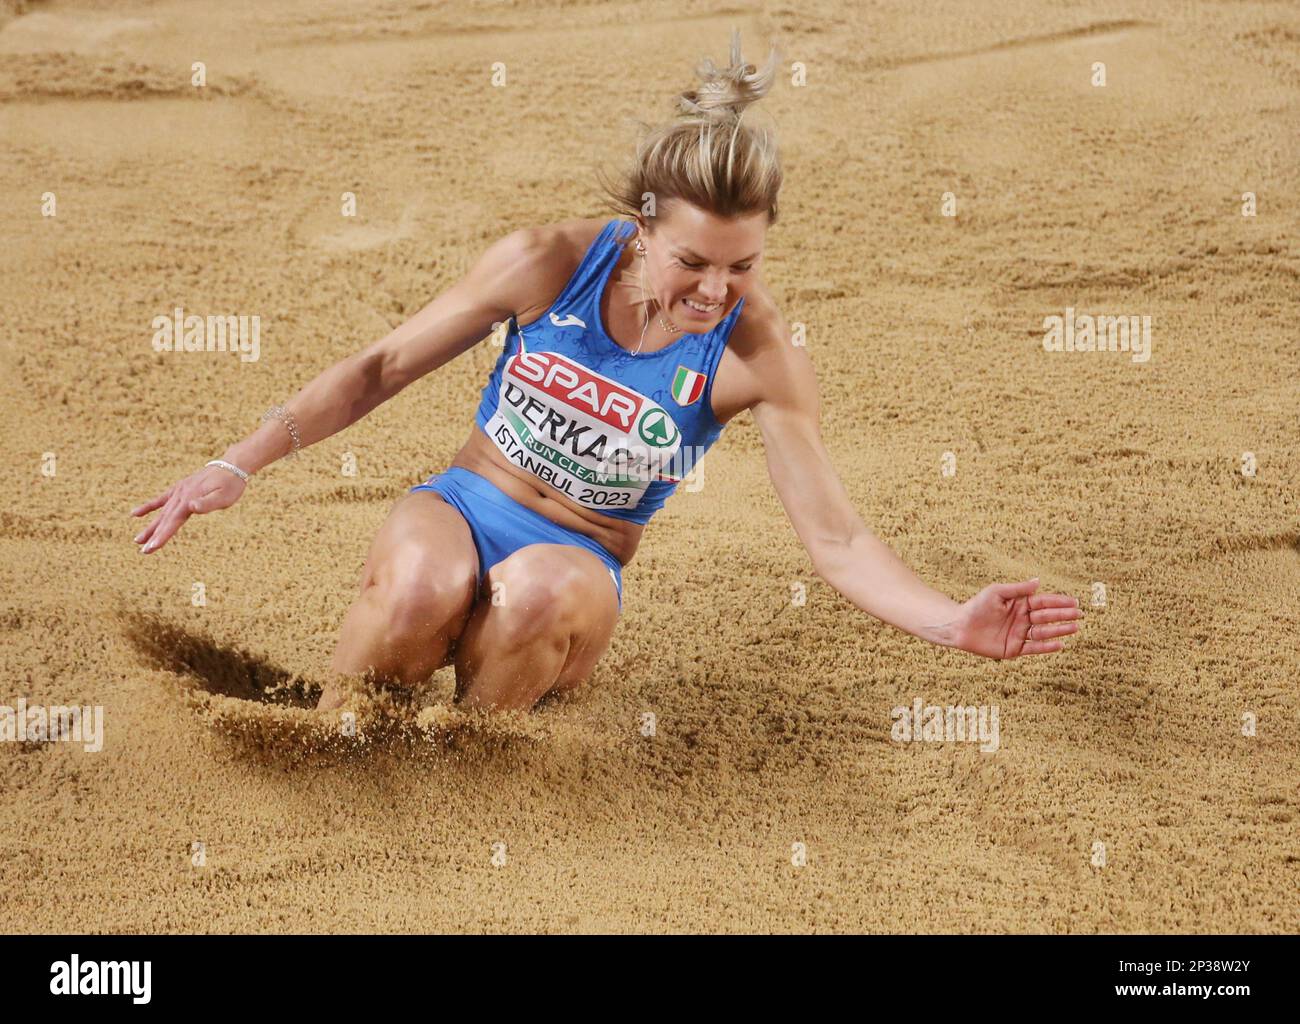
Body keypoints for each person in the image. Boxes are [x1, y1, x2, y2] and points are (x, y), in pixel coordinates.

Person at [129, 30, 1082, 714]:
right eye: (693, 263)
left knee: (537, 591)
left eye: (742, 266)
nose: (715, 291)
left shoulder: (759, 354)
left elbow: (835, 541)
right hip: (466, 502)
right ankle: (339, 733)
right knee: (421, 583)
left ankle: (466, 779)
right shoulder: (548, 261)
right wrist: (239, 462)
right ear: (641, 228)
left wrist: (950, 623)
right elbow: (381, 367)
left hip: (578, 566)